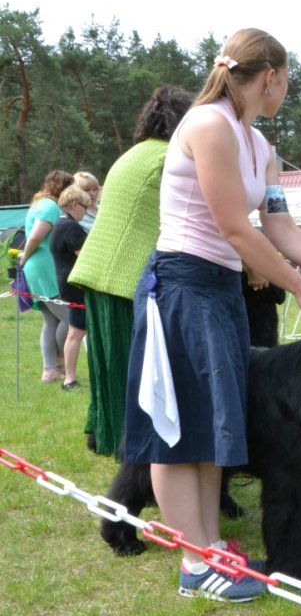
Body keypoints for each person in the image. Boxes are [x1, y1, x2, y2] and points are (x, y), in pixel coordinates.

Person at [123, 28, 301, 603]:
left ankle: (210, 548)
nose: (286, 93)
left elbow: (278, 226)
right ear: (270, 77)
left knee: (210, 424)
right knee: (177, 428)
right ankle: (194, 563)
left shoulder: (260, 146)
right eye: (287, 82)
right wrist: (300, 288)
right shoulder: (208, 126)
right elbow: (233, 227)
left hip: (221, 291)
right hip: (181, 288)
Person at [69, 86, 194, 457]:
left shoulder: (131, 154)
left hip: (98, 268)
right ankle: (131, 448)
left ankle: (101, 432)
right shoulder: (169, 157)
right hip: (126, 274)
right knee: (134, 369)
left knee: (106, 364)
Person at [19, 170, 75, 383]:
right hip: (44, 269)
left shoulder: (41, 203)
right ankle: (59, 363)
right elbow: (35, 237)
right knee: (72, 319)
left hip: (41, 268)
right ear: (62, 187)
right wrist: (24, 258)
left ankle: (50, 369)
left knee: (51, 320)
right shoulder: (50, 206)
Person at [50, 185, 90, 390]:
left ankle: (71, 378)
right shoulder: (71, 227)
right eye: (85, 207)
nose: (86, 212)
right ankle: (70, 379)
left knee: (76, 332)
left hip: (66, 284)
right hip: (76, 286)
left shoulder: (59, 224)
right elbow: (85, 258)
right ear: (75, 205)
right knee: (76, 333)